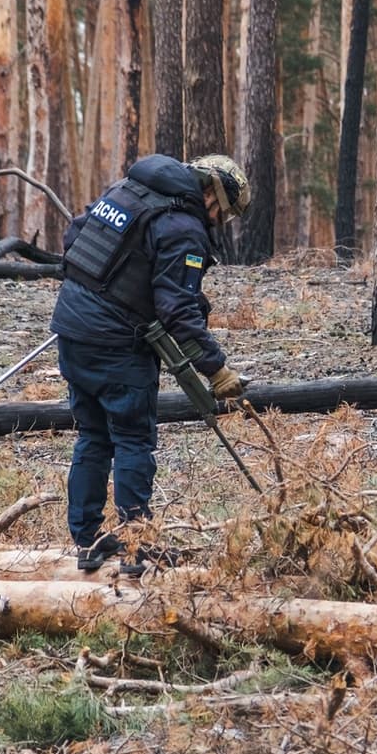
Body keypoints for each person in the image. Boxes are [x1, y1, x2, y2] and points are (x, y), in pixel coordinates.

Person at [49, 153, 251, 574]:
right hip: (117, 343)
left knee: (92, 435)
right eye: (222, 211)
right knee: (132, 440)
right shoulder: (184, 227)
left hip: (70, 326)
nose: (219, 221)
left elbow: (74, 242)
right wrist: (216, 370)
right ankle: (137, 549)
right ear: (210, 191)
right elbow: (176, 310)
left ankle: (87, 543)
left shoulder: (127, 191)